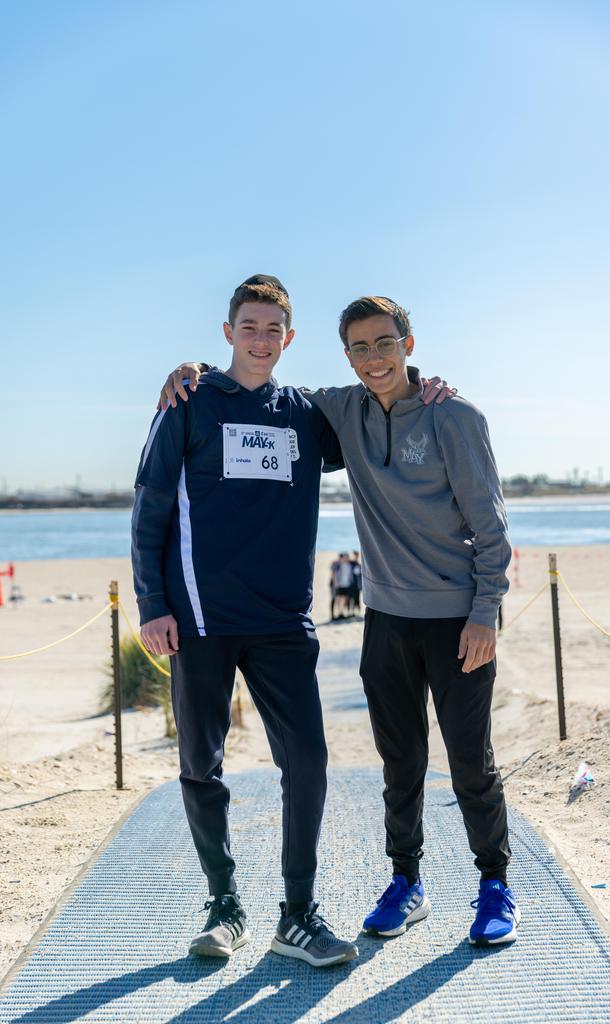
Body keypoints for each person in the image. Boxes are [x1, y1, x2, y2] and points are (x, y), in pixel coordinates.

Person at [160, 294, 517, 948]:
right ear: (345, 355)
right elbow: (250, 389)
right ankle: (405, 883)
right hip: (385, 618)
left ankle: (494, 884)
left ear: (408, 345)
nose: (374, 358)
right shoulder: (339, 410)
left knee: (470, 761)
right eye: (359, 347)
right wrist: (195, 369)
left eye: (385, 343)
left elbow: (492, 529)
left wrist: (485, 612)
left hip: (455, 620)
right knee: (400, 763)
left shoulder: (453, 415)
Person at [132, 275, 359, 967]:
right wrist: (151, 604)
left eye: (273, 330)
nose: (261, 340)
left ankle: (298, 915)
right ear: (228, 332)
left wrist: (425, 387)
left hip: (282, 620)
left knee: (308, 760)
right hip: (199, 618)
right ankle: (224, 903)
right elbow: (150, 505)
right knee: (201, 763)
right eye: (249, 327)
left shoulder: (307, 416)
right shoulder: (189, 400)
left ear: (289, 338)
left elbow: (380, 412)